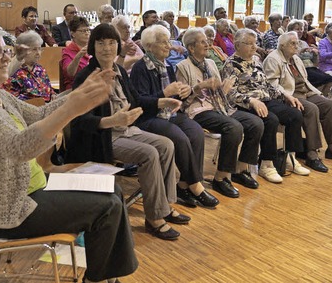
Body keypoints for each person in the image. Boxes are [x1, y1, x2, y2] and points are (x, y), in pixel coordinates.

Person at [0, 25, 138, 281]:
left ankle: (105, 276)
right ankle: (100, 279)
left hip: (32, 187)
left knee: (111, 189)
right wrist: (72, 108)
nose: (8, 56)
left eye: (7, 49)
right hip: (12, 208)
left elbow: (38, 115)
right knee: (107, 207)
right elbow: (19, 149)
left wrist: (79, 92)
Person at [66, 23, 189, 241]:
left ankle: (166, 205)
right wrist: (110, 120)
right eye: (101, 43)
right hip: (102, 137)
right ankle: (155, 218)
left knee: (166, 145)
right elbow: (79, 120)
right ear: (93, 47)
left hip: (126, 130)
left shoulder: (119, 71)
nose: (107, 48)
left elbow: (136, 100)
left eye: (112, 43)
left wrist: (163, 101)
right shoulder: (86, 76)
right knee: (149, 154)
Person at [131, 25, 220, 207]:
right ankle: (196, 185)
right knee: (179, 137)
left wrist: (184, 92)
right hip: (148, 117)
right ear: (149, 45)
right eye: (163, 42)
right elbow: (139, 102)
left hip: (168, 113)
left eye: (168, 41)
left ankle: (183, 184)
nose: (168, 46)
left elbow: (174, 97)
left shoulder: (167, 66)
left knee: (195, 132)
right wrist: (164, 93)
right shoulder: (141, 68)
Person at [176, 28, 264, 192]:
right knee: (233, 127)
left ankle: (240, 169)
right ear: (191, 48)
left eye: (207, 41)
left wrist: (224, 89)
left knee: (256, 123)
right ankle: (221, 177)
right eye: (203, 42)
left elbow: (219, 92)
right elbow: (182, 102)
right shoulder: (183, 67)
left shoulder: (209, 63)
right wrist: (199, 87)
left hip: (219, 106)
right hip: (197, 111)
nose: (208, 44)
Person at [222, 28, 306, 184]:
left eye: (255, 43)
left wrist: (285, 95)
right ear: (238, 45)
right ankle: (266, 164)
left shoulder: (256, 60)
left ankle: (290, 158)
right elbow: (230, 94)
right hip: (245, 104)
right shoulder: (230, 64)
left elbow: (267, 84)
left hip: (265, 99)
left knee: (295, 114)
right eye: (250, 44)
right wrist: (251, 101)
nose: (254, 47)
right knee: (270, 120)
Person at [264, 32, 332, 173]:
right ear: (282, 45)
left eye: (297, 43)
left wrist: (317, 93)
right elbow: (272, 84)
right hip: (288, 95)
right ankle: (312, 153)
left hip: (305, 92)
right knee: (311, 109)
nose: (296, 46)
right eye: (292, 43)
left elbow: (305, 80)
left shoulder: (296, 59)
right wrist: (288, 96)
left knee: (329, 105)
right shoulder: (273, 59)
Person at [2, 31, 56, 102]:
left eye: (40, 49)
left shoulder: (40, 69)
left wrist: (53, 94)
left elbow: (49, 89)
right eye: (34, 49)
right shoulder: (14, 72)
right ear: (22, 50)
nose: (38, 53)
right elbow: (13, 100)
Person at [287, 20, 332, 96]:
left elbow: (315, 63)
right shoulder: (288, 43)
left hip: (311, 67)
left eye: (301, 29)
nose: (300, 31)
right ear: (290, 31)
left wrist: (315, 54)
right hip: (300, 69)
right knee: (323, 79)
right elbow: (289, 59)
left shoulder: (304, 43)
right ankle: (315, 96)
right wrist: (300, 51)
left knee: (330, 79)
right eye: (297, 29)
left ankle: (321, 97)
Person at [61, 16, 91, 91]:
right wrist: (78, 56)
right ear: (73, 33)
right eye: (83, 31)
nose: (87, 33)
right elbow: (70, 74)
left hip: (92, 87)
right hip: (75, 89)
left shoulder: (93, 49)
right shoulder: (67, 51)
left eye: (88, 30)